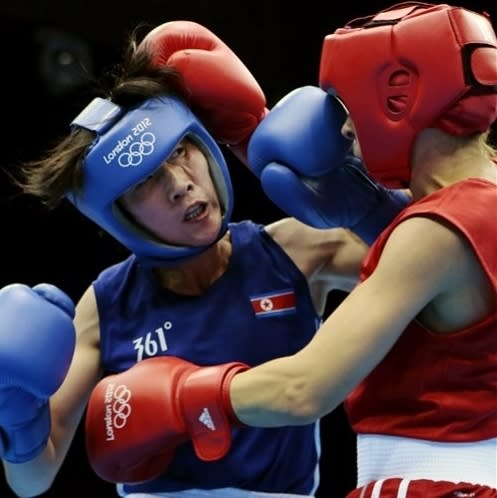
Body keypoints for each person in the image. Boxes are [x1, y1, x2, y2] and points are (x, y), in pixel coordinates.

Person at [84, 3, 497, 497]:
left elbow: (303, 389)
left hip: (431, 481)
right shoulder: (469, 207)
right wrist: (371, 210)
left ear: (397, 98)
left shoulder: (433, 232)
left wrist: (183, 397)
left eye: (343, 105)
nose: (341, 129)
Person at [1, 19, 407, 498]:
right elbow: (32, 479)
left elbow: (450, 249)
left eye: (182, 152)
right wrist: (17, 415)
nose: (179, 184)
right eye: (145, 182)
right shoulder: (106, 305)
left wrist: (364, 197)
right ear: (118, 217)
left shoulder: (296, 251)